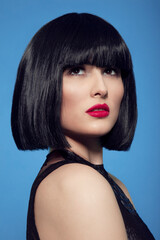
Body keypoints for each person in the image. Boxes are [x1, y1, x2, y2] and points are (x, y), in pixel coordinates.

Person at [11, 13, 155, 240]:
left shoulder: (113, 184)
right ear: (43, 83)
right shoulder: (78, 185)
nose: (101, 88)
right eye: (76, 70)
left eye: (110, 71)